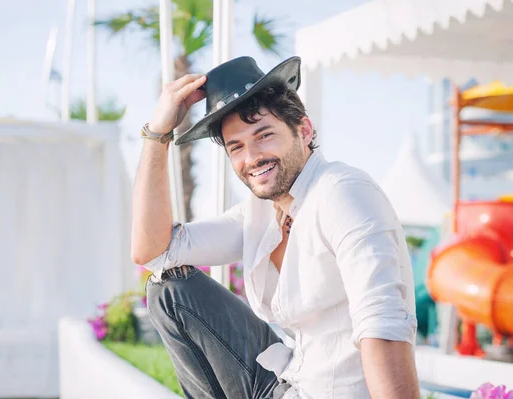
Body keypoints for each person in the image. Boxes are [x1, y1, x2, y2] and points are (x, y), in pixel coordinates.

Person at [131, 56, 420, 399]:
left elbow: (382, 324)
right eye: (236, 147)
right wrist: (157, 134)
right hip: (287, 386)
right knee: (168, 291)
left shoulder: (342, 192)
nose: (251, 157)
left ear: (304, 130)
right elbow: (153, 252)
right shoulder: (262, 213)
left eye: (264, 135)